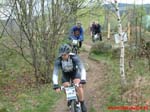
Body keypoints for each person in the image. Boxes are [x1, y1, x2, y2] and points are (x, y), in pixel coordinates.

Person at [52, 44, 87, 112]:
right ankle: (69, 98)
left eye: (64, 55)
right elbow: (55, 73)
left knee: (78, 86)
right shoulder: (58, 60)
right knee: (66, 86)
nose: (63, 56)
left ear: (68, 54)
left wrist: (83, 79)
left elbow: (82, 68)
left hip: (75, 73)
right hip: (65, 74)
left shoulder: (74, 57)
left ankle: (82, 103)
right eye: (61, 55)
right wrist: (55, 85)